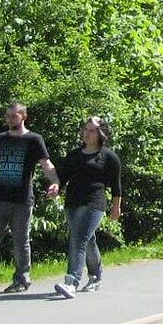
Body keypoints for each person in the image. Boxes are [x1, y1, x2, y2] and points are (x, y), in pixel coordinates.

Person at [0, 101, 61, 296]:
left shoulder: (34, 139)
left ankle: (22, 279)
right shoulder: (1, 139)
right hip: (0, 199)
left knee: (20, 241)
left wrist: (55, 182)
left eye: (13, 116)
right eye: (7, 116)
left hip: (22, 200)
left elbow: (46, 164)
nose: (9, 120)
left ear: (23, 116)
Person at [53, 116, 122, 298]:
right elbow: (63, 176)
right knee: (87, 240)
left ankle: (72, 281)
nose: (87, 133)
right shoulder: (74, 155)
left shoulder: (109, 157)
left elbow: (116, 185)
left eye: (92, 130)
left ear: (101, 134)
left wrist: (116, 207)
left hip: (94, 204)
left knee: (79, 239)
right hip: (73, 203)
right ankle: (96, 276)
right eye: (85, 129)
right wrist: (56, 187)